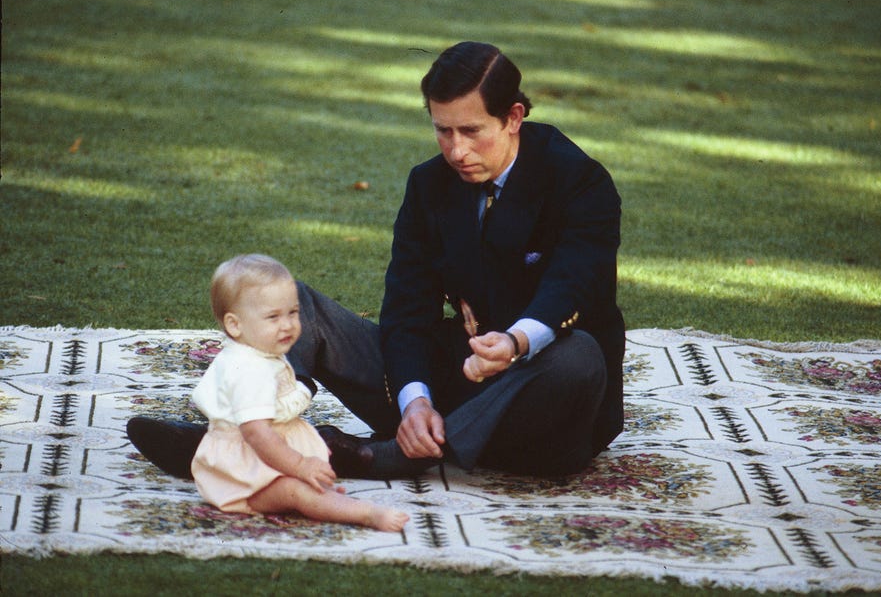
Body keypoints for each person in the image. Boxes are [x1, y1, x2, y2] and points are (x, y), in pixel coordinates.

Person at [128, 41, 624, 480]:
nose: (456, 150)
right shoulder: (429, 185)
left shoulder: (578, 180)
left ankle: (386, 458)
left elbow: (573, 284)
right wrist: (416, 402)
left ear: (514, 117)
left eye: (472, 131)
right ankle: (247, 434)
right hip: (458, 376)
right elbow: (409, 309)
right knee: (291, 302)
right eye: (443, 131)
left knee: (577, 356)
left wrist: (516, 342)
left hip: (545, 406)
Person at [187, 254, 408, 531]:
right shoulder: (248, 371)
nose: (288, 325)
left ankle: (320, 496)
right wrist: (301, 465)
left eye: (293, 312)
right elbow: (258, 434)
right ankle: (365, 514)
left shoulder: (257, 351)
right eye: (273, 317)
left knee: (309, 484)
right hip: (245, 474)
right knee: (296, 493)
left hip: (264, 458)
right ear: (235, 325)